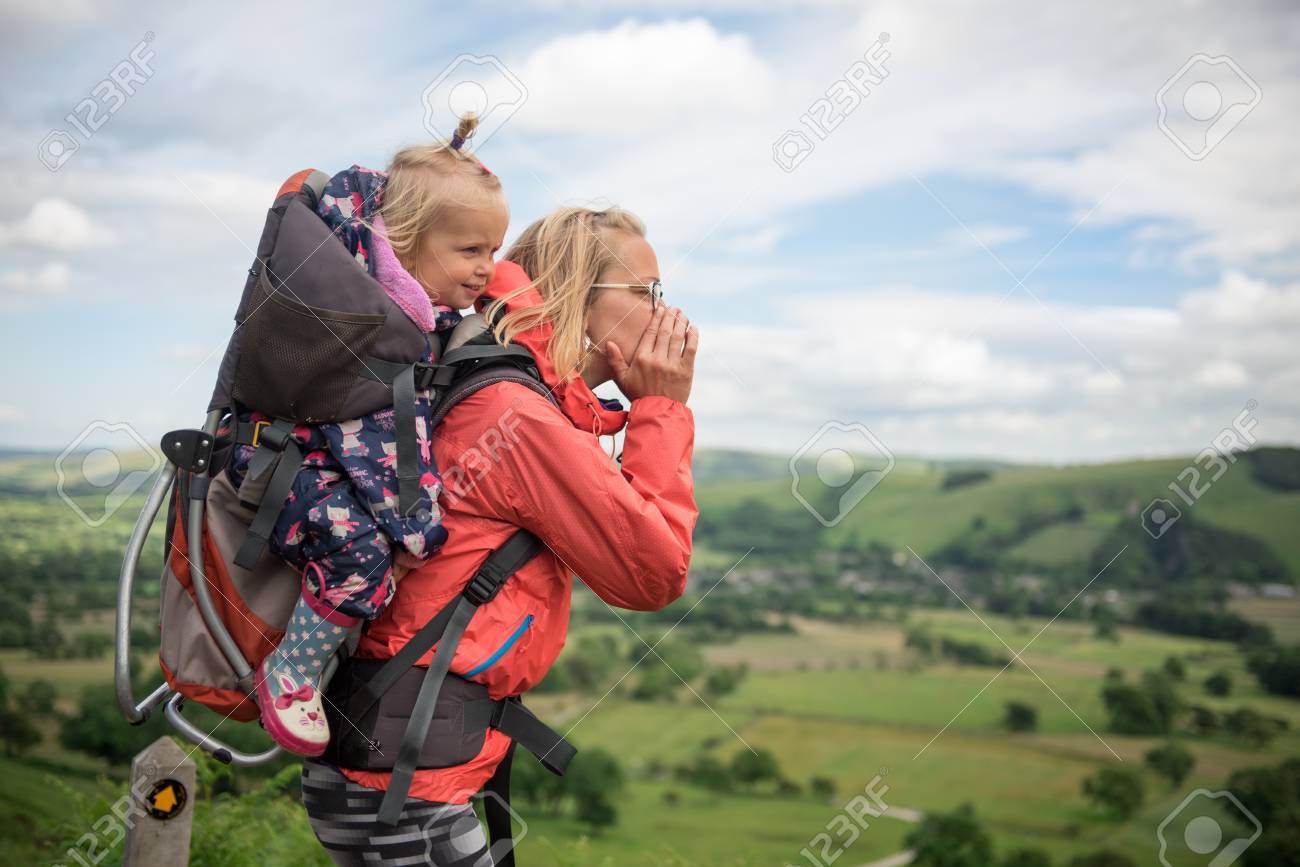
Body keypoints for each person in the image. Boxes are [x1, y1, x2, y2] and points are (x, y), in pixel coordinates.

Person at [301, 206, 700, 865]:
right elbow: (653, 573)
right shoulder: (516, 413)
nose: (665, 313)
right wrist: (665, 408)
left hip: (401, 761)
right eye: (647, 291)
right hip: (404, 779)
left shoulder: (509, 392)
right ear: (578, 294)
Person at [231, 114, 509, 756]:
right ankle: (291, 672)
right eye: (470, 251)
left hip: (312, 456)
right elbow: (386, 450)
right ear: (407, 239)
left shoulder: (404, 304)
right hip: (282, 460)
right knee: (361, 557)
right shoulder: (380, 328)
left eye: (493, 252)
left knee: (376, 558)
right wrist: (418, 532)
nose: (486, 270)